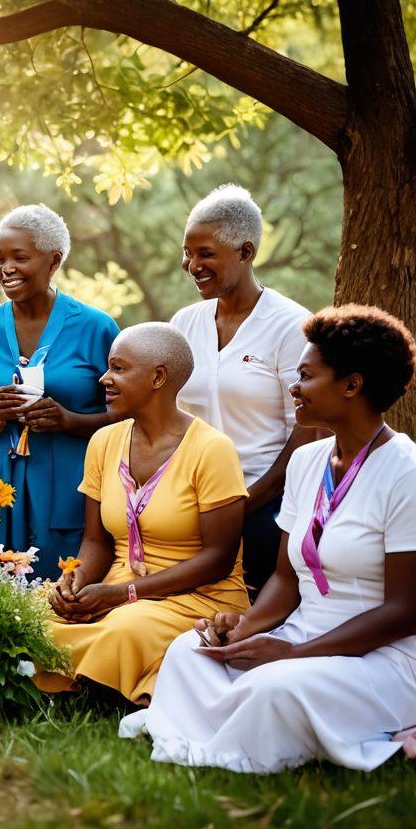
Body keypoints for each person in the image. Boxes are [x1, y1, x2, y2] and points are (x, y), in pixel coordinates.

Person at [122, 306, 416, 773]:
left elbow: (406, 614)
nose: (293, 387)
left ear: (352, 385)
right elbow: (285, 577)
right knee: (188, 653)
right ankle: (232, 725)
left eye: (305, 375)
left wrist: (294, 653)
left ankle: (236, 732)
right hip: (305, 633)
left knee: (275, 686)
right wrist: (244, 630)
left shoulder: (412, 477)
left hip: (392, 655)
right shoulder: (308, 462)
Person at [33, 323, 250, 703]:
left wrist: (122, 594)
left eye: (118, 368)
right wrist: (74, 581)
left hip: (197, 596)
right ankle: (83, 678)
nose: (105, 378)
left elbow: (218, 560)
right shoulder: (104, 441)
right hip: (116, 590)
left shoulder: (212, 449)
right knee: (36, 613)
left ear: (158, 377)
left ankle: (81, 687)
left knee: (125, 628)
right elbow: (95, 540)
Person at [0, 204, 118, 581]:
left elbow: (129, 419)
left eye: (19, 258)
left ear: (53, 261)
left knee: (66, 591)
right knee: (1, 598)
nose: (5, 268)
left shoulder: (96, 328)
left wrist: (69, 421)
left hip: (72, 484)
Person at [171, 185, 318, 595]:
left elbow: (308, 431)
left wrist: (247, 502)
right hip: (190, 506)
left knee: (248, 616)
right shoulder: (184, 323)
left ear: (246, 252)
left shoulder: (291, 325)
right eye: (188, 252)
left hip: (266, 508)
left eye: (205, 254)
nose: (191, 264)